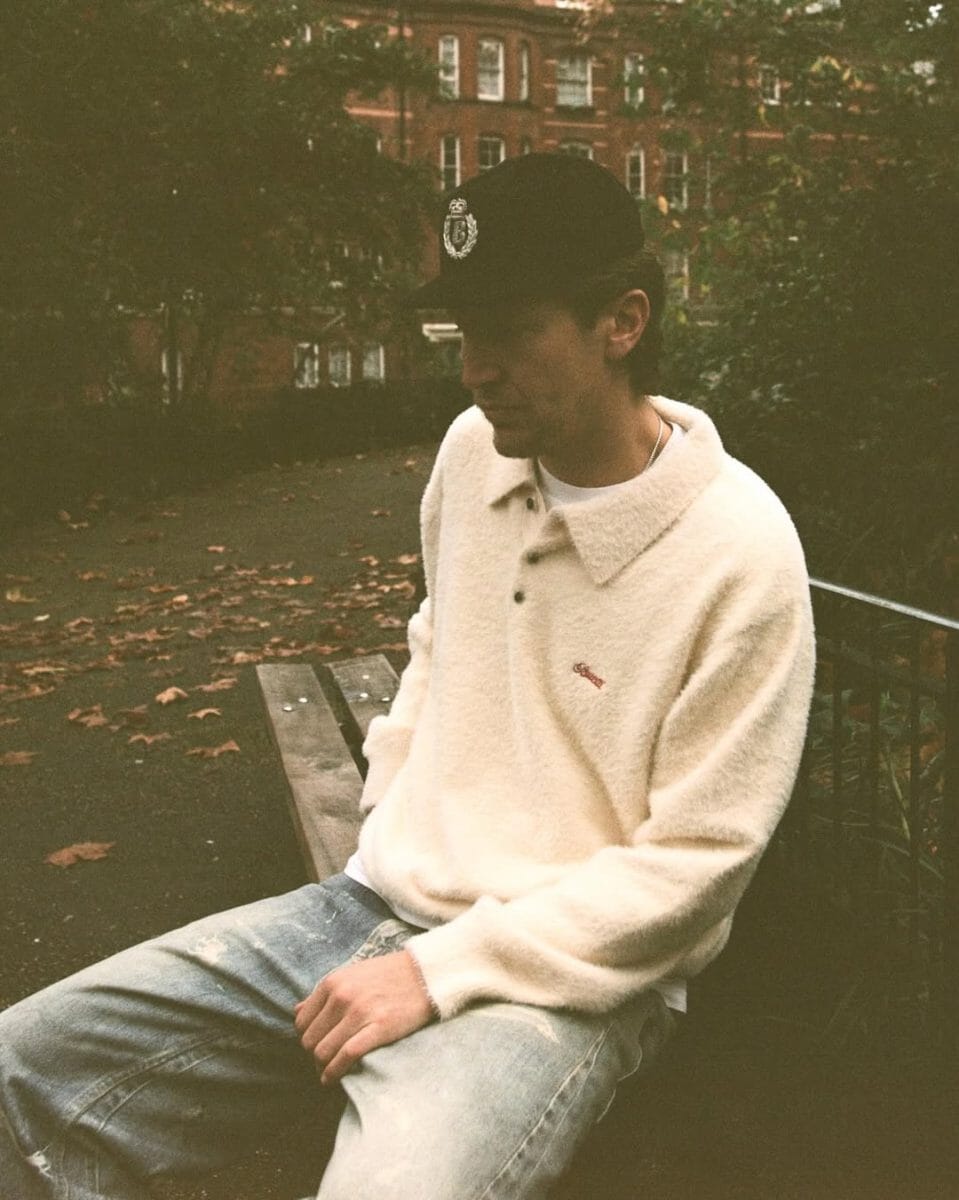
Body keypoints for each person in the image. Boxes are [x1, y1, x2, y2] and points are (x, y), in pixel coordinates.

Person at [0, 153, 815, 1200]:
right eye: (462, 333)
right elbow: (439, 638)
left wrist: (437, 971)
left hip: (560, 986)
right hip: (362, 909)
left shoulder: (735, 548)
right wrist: (393, 799)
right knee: (20, 1069)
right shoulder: (472, 454)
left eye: (510, 332)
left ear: (622, 321)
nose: (473, 370)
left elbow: (697, 867)